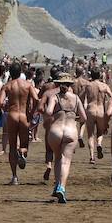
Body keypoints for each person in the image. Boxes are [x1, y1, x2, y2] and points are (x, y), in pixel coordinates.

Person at [44, 74, 87, 203]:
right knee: (66, 161)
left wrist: (54, 117)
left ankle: (57, 184)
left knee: (57, 158)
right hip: (70, 130)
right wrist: (73, 117)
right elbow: (84, 118)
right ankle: (62, 187)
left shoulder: (54, 97)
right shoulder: (76, 98)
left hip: (56, 130)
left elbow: (48, 112)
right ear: (69, 85)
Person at [0, 62, 39, 185]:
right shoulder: (28, 85)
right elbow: (36, 99)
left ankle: (14, 176)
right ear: (20, 71)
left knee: (12, 146)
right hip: (24, 115)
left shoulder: (7, 85)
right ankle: (22, 152)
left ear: (10, 72)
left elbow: (0, 103)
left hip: (12, 114)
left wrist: (6, 108)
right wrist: (31, 112)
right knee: (25, 142)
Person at [81, 67, 112, 163]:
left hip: (90, 110)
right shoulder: (104, 86)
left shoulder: (88, 85)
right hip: (100, 110)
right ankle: (99, 144)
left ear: (91, 75)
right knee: (100, 132)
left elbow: (81, 96)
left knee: (90, 134)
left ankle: (92, 156)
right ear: (99, 75)